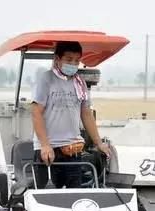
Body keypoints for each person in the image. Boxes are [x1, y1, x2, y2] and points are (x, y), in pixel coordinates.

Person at [31, 41, 111, 189]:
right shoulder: (46, 79)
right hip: (48, 150)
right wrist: (45, 145)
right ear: (57, 59)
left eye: (76, 60)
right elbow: (36, 112)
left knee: (74, 196)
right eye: (68, 60)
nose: (73, 64)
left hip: (72, 149)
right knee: (45, 196)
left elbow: (86, 114)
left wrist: (99, 142)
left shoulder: (79, 83)